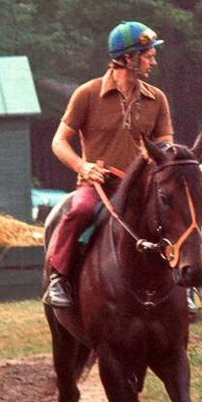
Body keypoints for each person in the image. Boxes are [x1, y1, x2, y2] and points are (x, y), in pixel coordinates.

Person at [43, 21, 174, 308]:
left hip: (142, 188)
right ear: (128, 58)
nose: (154, 60)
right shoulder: (87, 94)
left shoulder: (157, 98)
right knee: (79, 210)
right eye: (148, 54)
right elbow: (59, 142)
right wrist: (83, 167)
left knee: (178, 220)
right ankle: (58, 278)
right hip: (100, 185)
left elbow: (165, 147)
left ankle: (183, 288)